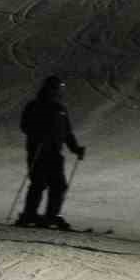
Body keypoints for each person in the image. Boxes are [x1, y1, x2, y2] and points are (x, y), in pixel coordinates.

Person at [17, 74, 86, 228]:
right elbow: (25, 126)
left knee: (59, 185)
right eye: (55, 88)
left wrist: (76, 149)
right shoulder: (34, 106)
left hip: (55, 153)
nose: (57, 92)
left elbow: (67, 133)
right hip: (38, 151)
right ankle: (30, 214)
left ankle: (52, 215)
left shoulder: (60, 109)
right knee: (39, 183)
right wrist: (38, 133)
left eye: (59, 89)